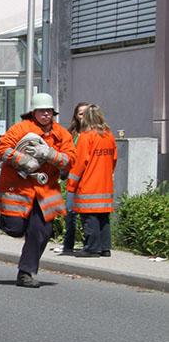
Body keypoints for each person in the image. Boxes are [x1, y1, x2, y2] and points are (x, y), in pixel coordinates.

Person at [0, 93, 75, 288]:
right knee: (15, 228)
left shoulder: (62, 134)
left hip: (46, 189)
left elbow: (70, 160)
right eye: (41, 111)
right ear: (34, 112)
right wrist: (22, 160)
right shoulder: (20, 129)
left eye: (48, 111)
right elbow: (0, 149)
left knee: (42, 230)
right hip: (19, 187)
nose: (45, 114)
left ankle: (26, 272)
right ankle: (6, 221)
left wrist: (49, 154)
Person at [66, 104, 117, 258]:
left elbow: (79, 164)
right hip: (105, 184)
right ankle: (105, 248)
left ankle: (92, 248)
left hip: (89, 184)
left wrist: (71, 185)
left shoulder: (86, 137)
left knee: (90, 217)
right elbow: (114, 159)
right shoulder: (108, 135)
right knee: (103, 217)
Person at [59, 102, 91, 255]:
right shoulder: (72, 134)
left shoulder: (94, 134)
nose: (83, 116)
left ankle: (89, 244)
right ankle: (68, 245)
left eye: (86, 113)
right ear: (75, 116)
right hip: (73, 178)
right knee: (70, 212)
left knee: (88, 214)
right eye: (80, 113)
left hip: (89, 180)